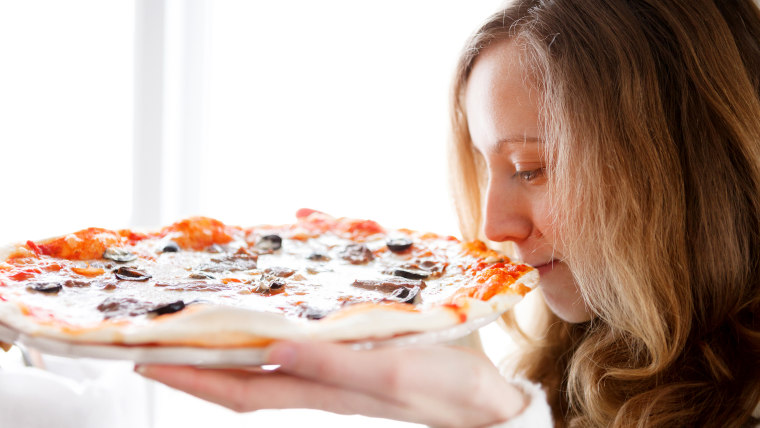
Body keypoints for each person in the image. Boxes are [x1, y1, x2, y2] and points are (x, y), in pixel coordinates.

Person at [136, 0, 760, 426]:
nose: (494, 228)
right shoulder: (565, 370)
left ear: (682, 166)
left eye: (533, 169)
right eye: (488, 169)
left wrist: (498, 417)